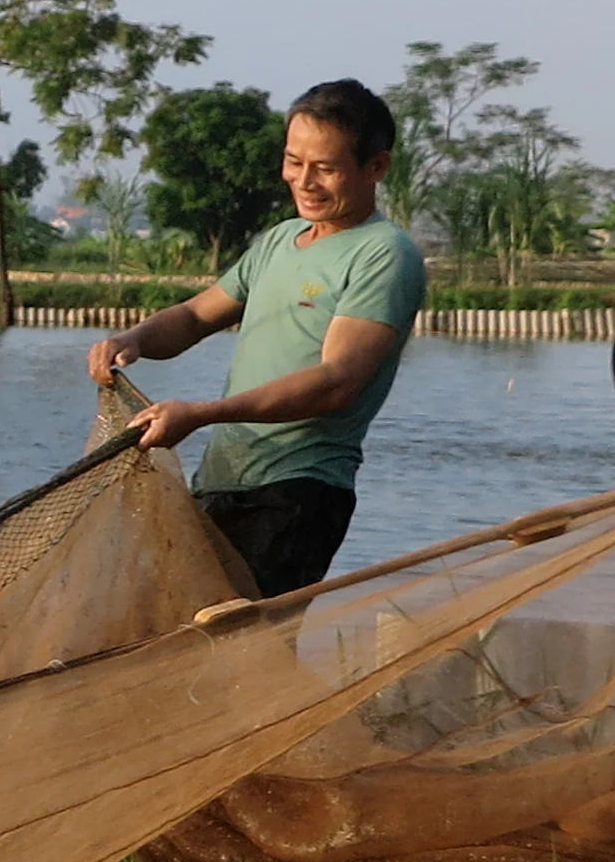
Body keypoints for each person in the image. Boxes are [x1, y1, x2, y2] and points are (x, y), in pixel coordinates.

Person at [86, 79, 423, 598]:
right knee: (176, 644)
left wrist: (200, 413)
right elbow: (198, 315)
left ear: (376, 167)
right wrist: (134, 339)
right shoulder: (280, 241)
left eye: (326, 169)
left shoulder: (384, 254)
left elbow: (337, 383)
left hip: (296, 492)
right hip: (221, 482)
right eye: (294, 162)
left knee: (240, 652)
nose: (304, 182)